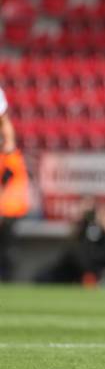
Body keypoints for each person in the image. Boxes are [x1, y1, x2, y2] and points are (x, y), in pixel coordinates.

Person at [0, 86, 29, 281]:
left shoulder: (11, 158)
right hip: (9, 210)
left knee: (6, 250)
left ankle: (6, 279)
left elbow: (5, 180)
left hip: (8, 211)